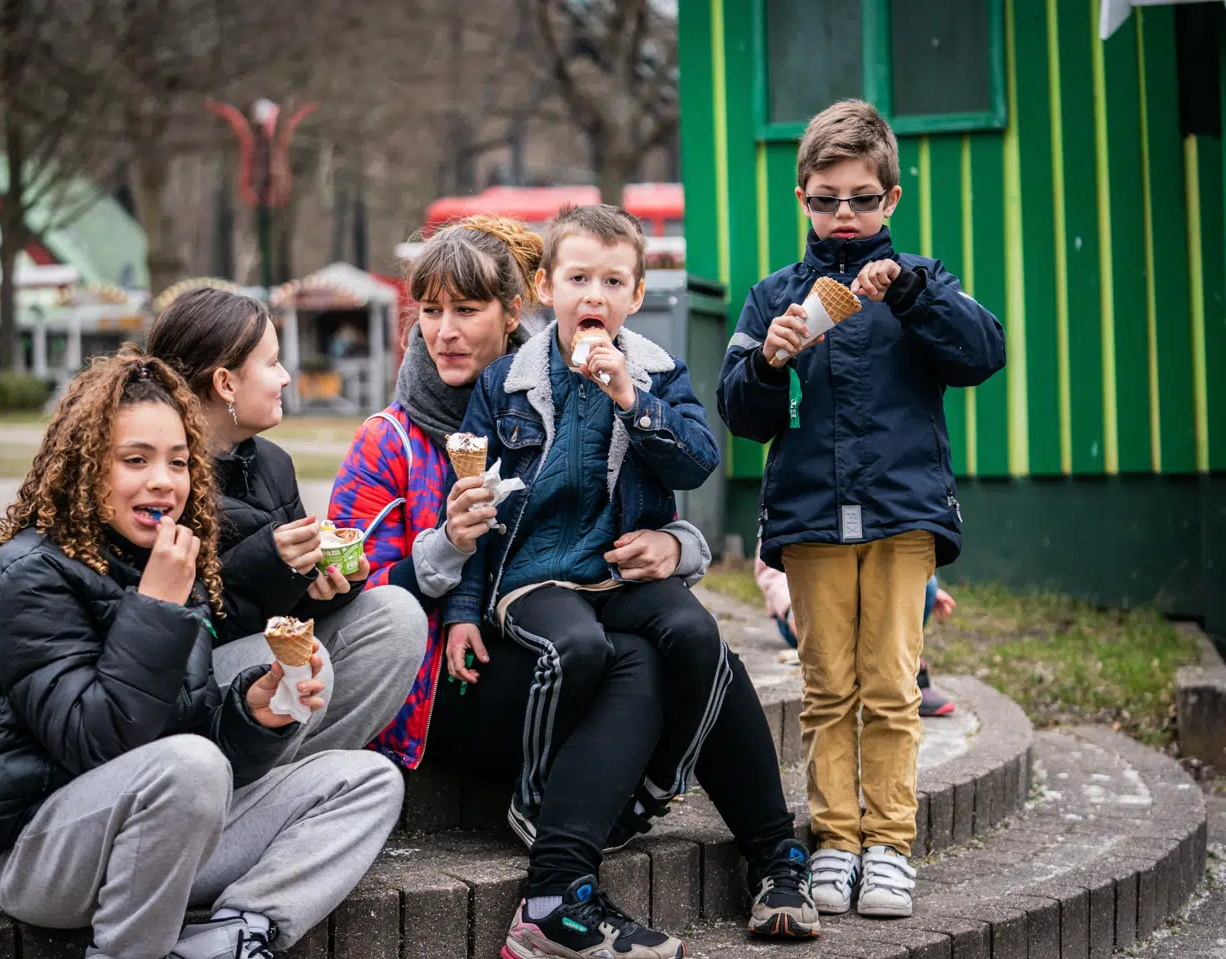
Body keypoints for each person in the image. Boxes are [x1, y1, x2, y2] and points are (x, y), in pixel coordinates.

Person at [338, 209, 813, 958]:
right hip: (445, 677)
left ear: (513, 310)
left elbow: (639, 483)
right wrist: (446, 554)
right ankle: (567, 874)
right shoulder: (392, 438)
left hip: (560, 621)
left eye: (468, 310)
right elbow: (354, 594)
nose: (446, 331)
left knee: (691, 642)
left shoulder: (579, 378)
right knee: (629, 656)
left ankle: (774, 859)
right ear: (549, 288)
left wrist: (679, 543)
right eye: (432, 312)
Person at [0, 349, 402, 959]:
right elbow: (98, 743)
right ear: (86, 467)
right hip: (44, 847)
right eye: (136, 460)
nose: (163, 480)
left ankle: (235, 935)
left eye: (179, 462)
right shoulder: (30, 573)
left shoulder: (170, 559)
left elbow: (188, 724)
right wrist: (154, 609)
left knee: (369, 780)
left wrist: (250, 712)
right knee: (191, 766)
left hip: (161, 829)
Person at [717, 99, 1006, 919]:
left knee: (891, 685)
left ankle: (889, 845)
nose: (844, 214)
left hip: (903, 515)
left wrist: (911, 291)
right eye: (826, 198)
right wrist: (769, 363)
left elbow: (983, 351)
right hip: (810, 522)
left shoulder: (924, 278)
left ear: (891, 200)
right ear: (801, 197)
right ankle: (835, 839)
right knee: (826, 689)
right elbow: (741, 414)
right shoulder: (774, 294)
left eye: (862, 198)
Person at [148, 288, 428, 757]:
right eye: (273, 363)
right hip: (183, 694)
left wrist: (332, 582)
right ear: (226, 384)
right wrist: (273, 565)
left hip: (256, 663)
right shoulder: (158, 480)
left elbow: (289, 612)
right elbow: (183, 629)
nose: (285, 377)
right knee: (295, 663)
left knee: (396, 614)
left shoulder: (272, 463)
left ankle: (298, 775)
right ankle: (259, 784)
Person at [755, 545, 959, 716]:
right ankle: (880, 668)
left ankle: (894, 668)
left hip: (860, 597)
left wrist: (908, 589)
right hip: (802, 604)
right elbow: (771, 573)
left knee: (926, 586)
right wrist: (791, 607)